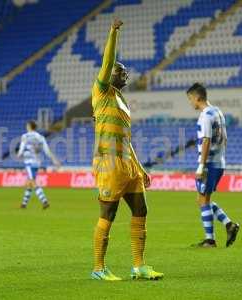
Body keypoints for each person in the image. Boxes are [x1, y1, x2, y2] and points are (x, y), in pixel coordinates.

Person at [91, 18, 163, 281]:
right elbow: (108, 61)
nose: (125, 75)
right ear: (109, 75)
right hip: (109, 164)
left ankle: (138, 265)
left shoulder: (122, 101)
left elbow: (126, 139)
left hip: (127, 164)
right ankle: (98, 268)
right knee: (108, 214)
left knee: (141, 210)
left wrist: (140, 168)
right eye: (120, 71)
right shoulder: (102, 92)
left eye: (125, 73)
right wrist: (113, 33)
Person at [186, 82, 239, 248]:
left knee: (203, 200)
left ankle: (210, 240)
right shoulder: (217, 112)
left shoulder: (206, 115)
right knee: (202, 200)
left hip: (209, 164)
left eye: (190, 99)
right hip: (218, 162)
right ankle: (229, 225)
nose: (190, 103)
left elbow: (207, 140)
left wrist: (202, 165)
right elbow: (224, 138)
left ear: (197, 97)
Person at [17, 120, 60, 209]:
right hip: (37, 162)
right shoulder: (40, 137)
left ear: (29, 126)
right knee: (29, 182)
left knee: (32, 182)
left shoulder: (25, 136)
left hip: (29, 162)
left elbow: (21, 148)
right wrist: (54, 159)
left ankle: (44, 201)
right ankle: (24, 204)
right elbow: (47, 151)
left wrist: (19, 155)